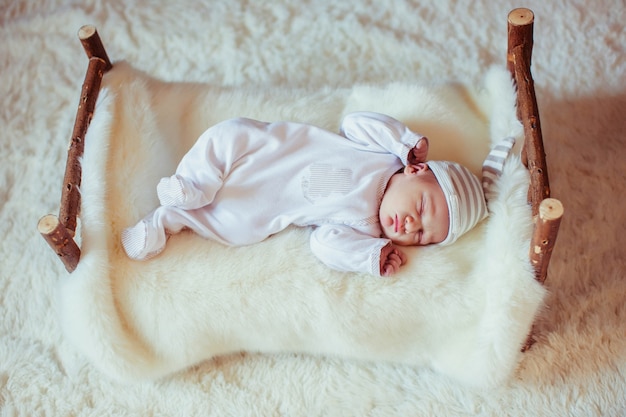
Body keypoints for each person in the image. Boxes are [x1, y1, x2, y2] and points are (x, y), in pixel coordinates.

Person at [122, 112, 492, 277]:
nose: (412, 225)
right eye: (423, 206)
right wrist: (404, 141)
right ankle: (191, 184)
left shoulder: (365, 229)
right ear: (415, 170)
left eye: (423, 236)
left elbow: (324, 246)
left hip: (261, 206)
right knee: (230, 132)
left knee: (236, 228)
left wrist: (369, 257)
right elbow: (354, 122)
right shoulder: (383, 155)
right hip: (266, 152)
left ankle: (162, 222)